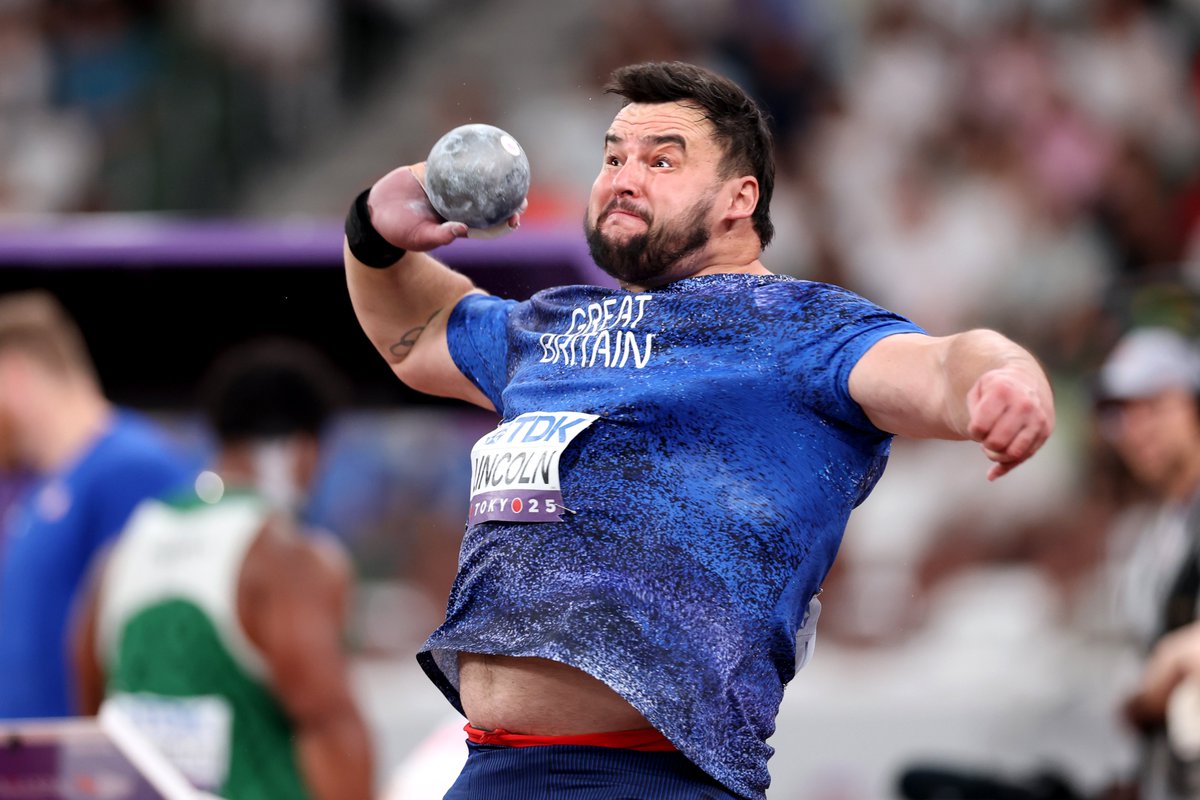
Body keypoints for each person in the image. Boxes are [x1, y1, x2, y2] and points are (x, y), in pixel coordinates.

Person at [342, 61, 1055, 799]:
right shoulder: (554, 326)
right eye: (613, 158)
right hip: (491, 772)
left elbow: (942, 365)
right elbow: (419, 333)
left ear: (739, 198)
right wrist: (371, 233)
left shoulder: (800, 329)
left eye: (661, 161)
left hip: (657, 779)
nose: (624, 178)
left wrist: (1004, 380)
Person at [71, 337, 374, 800]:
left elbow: (96, 723)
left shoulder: (121, 552)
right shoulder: (285, 558)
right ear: (306, 450)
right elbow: (331, 731)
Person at [0, 290, 194, 719]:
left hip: (87, 755)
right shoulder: (38, 488)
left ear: (14, 375)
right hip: (31, 753)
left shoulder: (131, 467)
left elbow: (156, 639)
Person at [1093, 326, 1200, 800]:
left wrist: (1167, 671)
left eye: (1154, 405)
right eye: (1121, 414)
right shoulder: (1149, 535)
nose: (1137, 428)